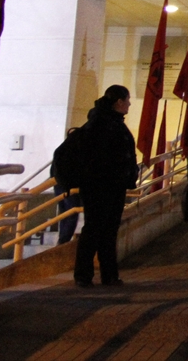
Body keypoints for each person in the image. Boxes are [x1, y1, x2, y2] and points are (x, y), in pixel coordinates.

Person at [73, 85, 139, 288]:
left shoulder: (106, 122)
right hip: (102, 187)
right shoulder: (104, 124)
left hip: (109, 186)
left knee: (106, 230)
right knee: (96, 229)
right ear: (119, 102)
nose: (129, 104)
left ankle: (107, 275)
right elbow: (106, 157)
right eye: (127, 100)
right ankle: (86, 275)